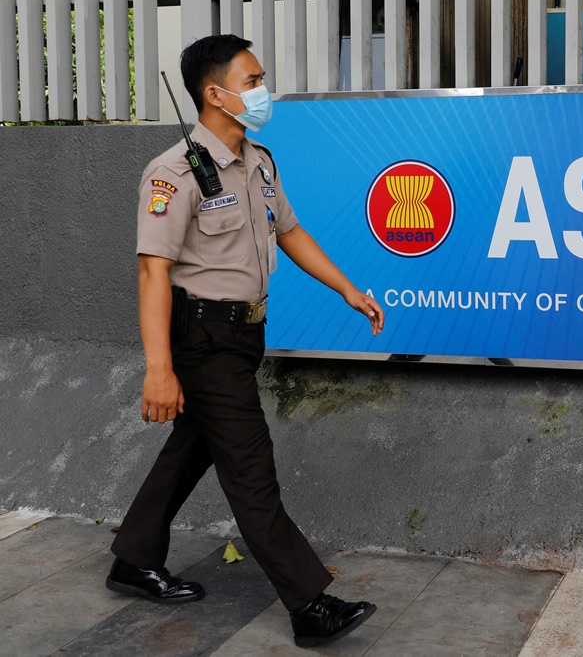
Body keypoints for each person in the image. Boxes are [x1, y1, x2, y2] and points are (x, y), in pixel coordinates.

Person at [106, 34, 385, 649]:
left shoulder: (258, 160)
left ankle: (134, 556)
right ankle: (309, 603)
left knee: (195, 447)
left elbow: (291, 231)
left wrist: (347, 288)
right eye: (253, 80)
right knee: (251, 469)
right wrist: (160, 369)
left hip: (244, 332)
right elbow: (153, 271)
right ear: (216, 93)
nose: (263, 91)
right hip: (201, 337)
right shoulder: (174, 171)